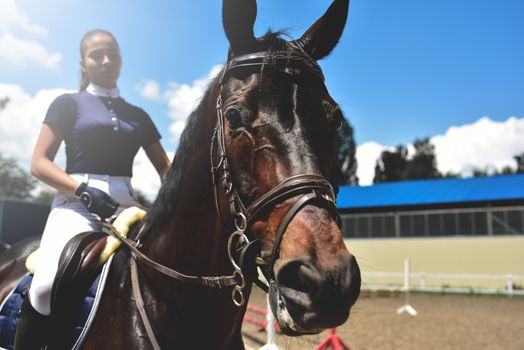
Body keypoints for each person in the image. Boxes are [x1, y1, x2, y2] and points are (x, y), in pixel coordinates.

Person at [14, 28, 171, 349]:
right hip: (76, 204)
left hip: (128, 205)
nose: (106, 60)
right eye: (96, 54)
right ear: (83, 63)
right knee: (45, 286)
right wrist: (83, 190)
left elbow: (166, 170)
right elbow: (39, 162)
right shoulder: (67, 103)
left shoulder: (138, 115)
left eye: (112, 53)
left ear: (121, 59)